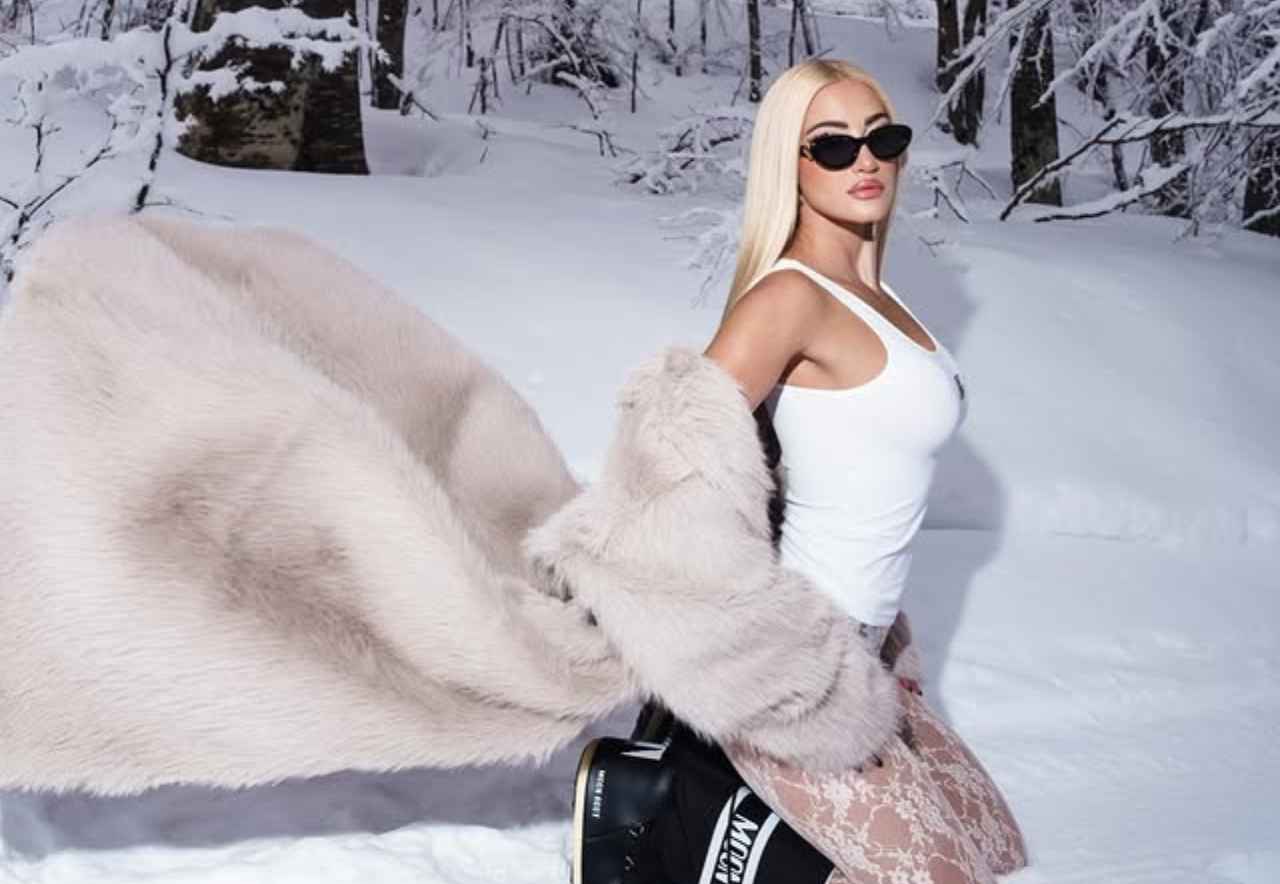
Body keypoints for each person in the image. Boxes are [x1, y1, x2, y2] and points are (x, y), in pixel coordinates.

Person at [570, 58, 1028, 884]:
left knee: (991, 847)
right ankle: (653, 807)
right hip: (795, 672)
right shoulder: (789, 298)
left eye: (882, 138)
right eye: (834, 146)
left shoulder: (881, 298)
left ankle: (675, 800)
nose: (866, 160)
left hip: (869, 651)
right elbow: (668, 463)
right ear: (790, 162)